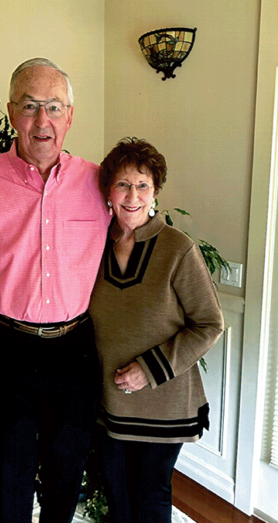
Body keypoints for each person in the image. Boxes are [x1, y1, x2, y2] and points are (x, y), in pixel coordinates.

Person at [0, 57, 110, 521]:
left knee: (67, 471)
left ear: (70, 115)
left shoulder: (98, 182)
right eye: (31, 106)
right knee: (8, 474)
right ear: (12, 113)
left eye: (54, 106)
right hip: (4, 347)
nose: (42, 120)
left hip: (75, 349)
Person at [88, 137, 224, 523]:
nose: (132, 196)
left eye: (142, 185)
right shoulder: (95, 245)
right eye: (123, 184)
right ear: (109, 192)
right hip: (109, 402)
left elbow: (210, 324)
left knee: (149, 498)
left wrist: (148, 369)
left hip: (163, 404)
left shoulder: (178, 249)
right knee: (116, 496)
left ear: (155, 192)